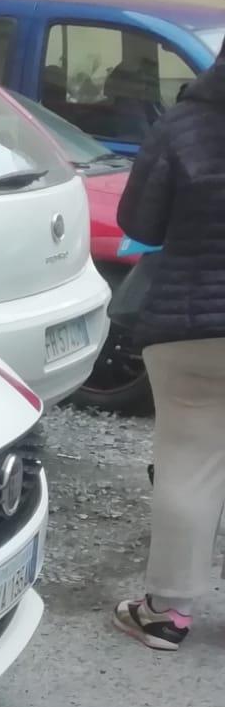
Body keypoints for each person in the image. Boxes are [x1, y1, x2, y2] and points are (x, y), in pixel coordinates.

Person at [113, 52, 225, 652]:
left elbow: (140, 223)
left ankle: (166, 615)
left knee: (188, 461)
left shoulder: (182, 126)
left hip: (190, 325)